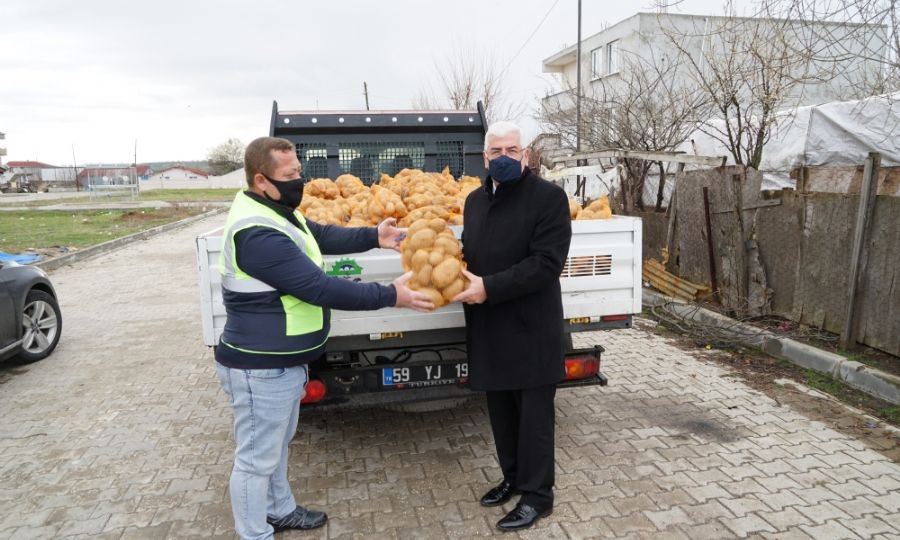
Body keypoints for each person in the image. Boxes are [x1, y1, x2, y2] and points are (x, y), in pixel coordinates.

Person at [215, 136, 433, 540]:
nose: (301, 180)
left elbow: (323, 236)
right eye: (291, 175)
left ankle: (279, 512)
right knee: (255, 460)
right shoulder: (257, 234)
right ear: (261, 180)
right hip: (259, 368)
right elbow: (320, 288)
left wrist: (374, 237)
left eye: (299, 171)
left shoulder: (279, 212)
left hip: (281, 362)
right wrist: (391, 295)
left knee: (275, 449)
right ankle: (254, 533)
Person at [452, 121, 572, 532]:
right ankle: (514, 478)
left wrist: (489, 287)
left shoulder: (549, 199)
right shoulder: (474, 200)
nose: (504, 157)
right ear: (484, 158)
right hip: (488, 324)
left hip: (530, 326)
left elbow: (546, 264)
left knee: (534, 418)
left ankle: (538, 496)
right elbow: (471, 251)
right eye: (496, 151)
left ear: (525, 155)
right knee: (501, 410)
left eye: (512, 150)